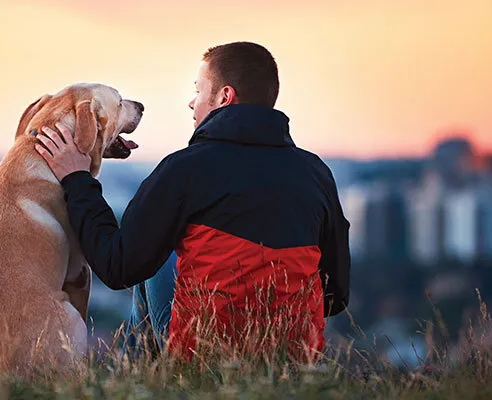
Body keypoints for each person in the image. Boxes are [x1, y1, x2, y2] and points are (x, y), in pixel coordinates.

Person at [34, 41, 350, 362]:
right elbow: (335, 296)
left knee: (152, 260)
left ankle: (138, 381)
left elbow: (116, 267)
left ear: (224, 97)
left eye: (198, 90)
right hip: (292, 358)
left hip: (205, 354)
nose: (191, 102)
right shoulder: (316, 173)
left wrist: (77, 179)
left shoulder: (184, 168)